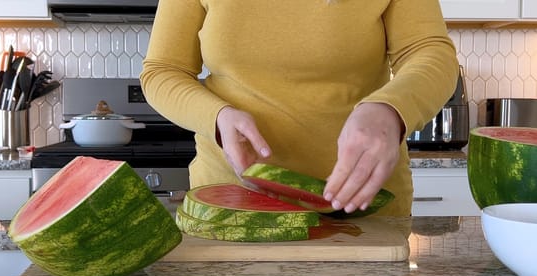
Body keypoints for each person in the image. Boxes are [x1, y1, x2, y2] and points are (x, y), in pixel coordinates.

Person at [140, 0, 459, 216]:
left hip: (360, 207)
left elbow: (429, 50)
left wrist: (390, 107)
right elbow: (162, 70)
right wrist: (217, 117)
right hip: (232, 204)